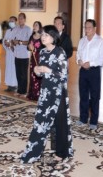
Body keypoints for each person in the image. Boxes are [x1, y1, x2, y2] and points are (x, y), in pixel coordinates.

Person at [20, 25, 73, 164]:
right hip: (46, 91)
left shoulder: (59, 52)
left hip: (58, 92)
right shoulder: (42, 52)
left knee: (59, 122)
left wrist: (47, 70)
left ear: (53, 37)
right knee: (40, 121)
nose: (43, 37)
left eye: (46, 35)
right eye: (42, 35)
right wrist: (37, 71)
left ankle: (62, 152)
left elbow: (63, 76)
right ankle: (34, 150)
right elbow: (40, 73)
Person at [76, 19, 103, 130]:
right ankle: (83, 118)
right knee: (83, 95)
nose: (87, 30)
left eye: (89, 27)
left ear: (94, 29)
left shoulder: (100, 41)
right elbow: (78, 54)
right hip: (83, 71)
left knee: (95, 96)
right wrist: (79, 61)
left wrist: (91, 63)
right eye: (85, 27)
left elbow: (102, 57)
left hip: (94, 71)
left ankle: (93, 121)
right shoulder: (82, 40)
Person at [12, 13, 32, 97]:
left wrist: (20, 42)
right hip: (17, 54)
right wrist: (13, 42)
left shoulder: (28, 29)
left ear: (25, 19)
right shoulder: (16, 29)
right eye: (19, 18)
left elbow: (29, 42)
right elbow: (13, 39)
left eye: (21, 18)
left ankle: (24, 91)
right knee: (18, 73)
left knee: (24, 74)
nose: (20, 20)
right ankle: (19, 90)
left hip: (24, 55)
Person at [27, 21, 43, 101]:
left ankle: (39, 94)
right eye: (34, 25)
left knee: (39, 76)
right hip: (33, 59)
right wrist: (30, 47)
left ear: (40, 27)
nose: (34, 26)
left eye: (36, 25)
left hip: (39, 58)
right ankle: (32, 93)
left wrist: (35, 49)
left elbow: (43, 48)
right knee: (32, 75)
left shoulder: (42, 37)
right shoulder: (31, 36)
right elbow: (28, 47)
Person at [2, 16, 18, 92]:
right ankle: (9, 85)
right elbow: (4, 40)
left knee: (14, 68)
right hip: (8, 53)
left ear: (16, 22)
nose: (11, 22)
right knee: (8, 69)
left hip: (14, 53)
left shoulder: (18, 30)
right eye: (10, 21)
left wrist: (11, 45)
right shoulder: (8, 31)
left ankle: (14, 85)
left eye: (13, 21)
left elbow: (17, 41)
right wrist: (5, 43)